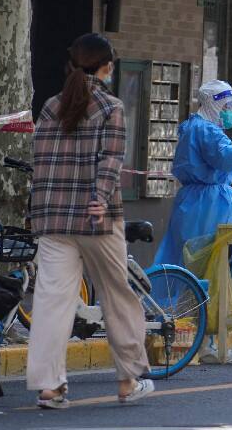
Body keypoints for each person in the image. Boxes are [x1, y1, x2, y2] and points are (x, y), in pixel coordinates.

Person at [27, 33, 154, 407]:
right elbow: (110, 159)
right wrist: (99, 198)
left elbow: (40, 161)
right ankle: (128, 380)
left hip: (52, 219)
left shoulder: (51, 106)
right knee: (118, 296)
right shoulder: (111, 106)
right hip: (96, 219)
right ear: (107, 67)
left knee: (52, 301)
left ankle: (49, 386)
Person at [155, 80, 232, 267]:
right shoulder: (206, 130)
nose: (229, 111)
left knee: (185, 261)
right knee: (202, 265)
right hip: (205, 208)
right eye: (226, 106)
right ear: (214, 103)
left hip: (196, 203)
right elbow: (224, 157)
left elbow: (209, 174)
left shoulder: (194, 127)